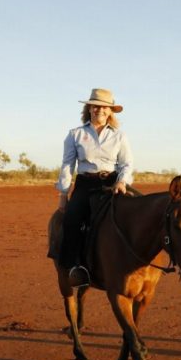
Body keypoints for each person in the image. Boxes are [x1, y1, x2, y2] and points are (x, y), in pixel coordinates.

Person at [56, 88, 134, 288]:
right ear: (89, 108)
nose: (99, 110)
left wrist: (122, 181)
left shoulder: (119, 136)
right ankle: (74, 267)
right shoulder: (75, 134)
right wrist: (64, 193)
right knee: (72, 220)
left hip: (112, 184)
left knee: (135, 216)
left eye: (104, 107)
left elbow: (126, 164)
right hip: (85, 185)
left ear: (110, 112)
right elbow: (67, 165)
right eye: (95, 106)